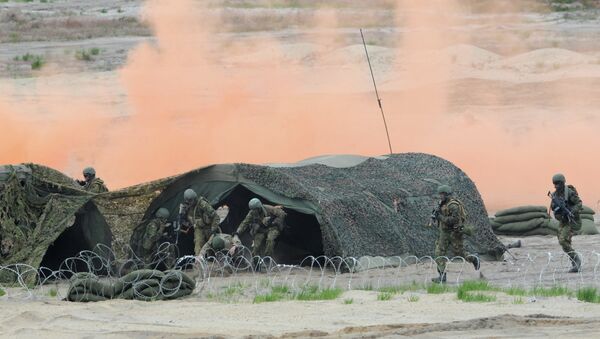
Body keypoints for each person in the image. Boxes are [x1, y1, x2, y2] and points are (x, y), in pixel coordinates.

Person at [430, 185, 479, 283]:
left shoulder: (453, 205)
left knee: (459, 253)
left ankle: (474, 259)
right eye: (440, 194)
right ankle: (442, 277)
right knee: (439, 253)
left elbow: (454, 220)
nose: (441, 196)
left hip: (454, 233)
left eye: (443, 194)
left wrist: (440, 217)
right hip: (444, 233)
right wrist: (435, 215)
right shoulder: (442, 204)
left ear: (447, 194)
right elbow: (440, 214)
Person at [549, 173, 583, 273]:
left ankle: (576, 259)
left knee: (563, 240)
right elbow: (554, 209)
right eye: (554, 184)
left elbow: (579, 203)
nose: (555, 186)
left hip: (572, 221)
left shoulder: (569, 193)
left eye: (558, 183)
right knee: (562, 241)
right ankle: (573, 261)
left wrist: (571, 211)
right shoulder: (555, 195)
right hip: (563, 221)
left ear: (563, 183)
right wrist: (556, 208)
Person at [179, 189, 221, 255]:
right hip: (198, 229)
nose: (189, 203)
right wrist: (181, 213)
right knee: (198, 248)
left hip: (209, 228)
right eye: (187, 201)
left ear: (195, 198)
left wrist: (213, 229)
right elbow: (184, 221)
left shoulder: (203, 204)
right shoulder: (187, 207)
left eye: (190, 201)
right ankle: (198, 262)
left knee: (213, 247)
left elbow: (216, 217)